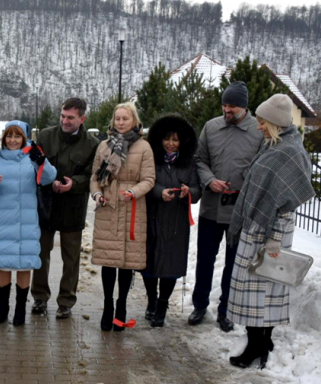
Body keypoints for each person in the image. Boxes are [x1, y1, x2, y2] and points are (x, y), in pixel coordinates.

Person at [226, 94, 315, 369]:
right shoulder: (274, 145)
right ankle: (261, 342)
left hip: (271, 233)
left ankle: (257, 346)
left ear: (276, 123)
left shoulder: (288, 152)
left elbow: (287, 201)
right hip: (256, 227)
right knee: (257, 290)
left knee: (262, 289)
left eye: (263, 121)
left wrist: (275, 238)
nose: (258, 126)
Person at [191, 81, 264, 332]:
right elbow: (200, 160)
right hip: (211, 208)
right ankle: (199, 305)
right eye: (224, 104)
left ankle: (226, 310)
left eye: (232, 105)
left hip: (239, 212)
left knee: (233, 263)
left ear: (244, 107)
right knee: (205, 260)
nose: (227, 109)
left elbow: (262, 167)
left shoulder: (259, 130)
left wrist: (246, 188)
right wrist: (210, 180)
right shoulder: (211, 127)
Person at [0, 121, 56, 326]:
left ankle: (20, 308)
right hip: (3, 219)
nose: (13, 140)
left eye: (18, 136)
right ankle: (2, 307)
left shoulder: (32, 156)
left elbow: (49, 178)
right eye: (9, 136)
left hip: (27, 219)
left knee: (24, 264)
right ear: (4, 138)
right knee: (4, 264)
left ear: (25, 138)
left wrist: (42, 162)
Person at [31, 97, 99, 319]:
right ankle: (40, 297)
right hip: (46, 204)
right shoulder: (45, 136)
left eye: (70, 117)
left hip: (73, 206)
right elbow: (33, 165)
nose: (65, 121)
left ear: (82, 118)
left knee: (71, 258)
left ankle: (66, 300)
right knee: (41, 253)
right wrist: (46, 181)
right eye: (62, 115)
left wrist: (74, 184)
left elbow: (92, 176)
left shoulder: (92, 144)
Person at [90, 102, 155, 332]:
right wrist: (97, 194)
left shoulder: (144, 147)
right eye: (117, 119)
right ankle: (108, 305)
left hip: (131, 208)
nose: (120, 123)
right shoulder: (104, 146)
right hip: (108, 207)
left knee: (126, 262)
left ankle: (122, 306)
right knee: (109, 260)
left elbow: (149, 179)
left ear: (134, 121)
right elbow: (95, 177)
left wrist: (133, 192)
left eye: (125, 119)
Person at [141, 115, 201, 327]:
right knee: (149, 262)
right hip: (153, 215)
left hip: (177, 220)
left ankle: (162, 305)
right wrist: (159, 192)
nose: (170, 143)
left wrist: (188, 192)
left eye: (175, 140)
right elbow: (144, 182)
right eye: (167, 138)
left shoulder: (190, 162)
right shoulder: (151, 159)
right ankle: (151, 300)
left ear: (182, 141)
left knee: (171, 263)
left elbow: (197, 188)